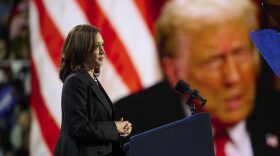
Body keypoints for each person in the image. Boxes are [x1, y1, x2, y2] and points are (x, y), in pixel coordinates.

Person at [114, 0, 280, 155]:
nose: (233, 77)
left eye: (239, 53)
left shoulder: (275, 112)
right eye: (214, 60)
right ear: (174, 72)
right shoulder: (128, 132)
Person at [54, 24, 132, 156]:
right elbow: (78, 127)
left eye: (103, 45)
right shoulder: (75, 81)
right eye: (96, 46)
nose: (103, 51)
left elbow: (97, 123)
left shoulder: (90, 80)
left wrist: (119, 129)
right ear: (82, 49)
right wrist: (114, 127)